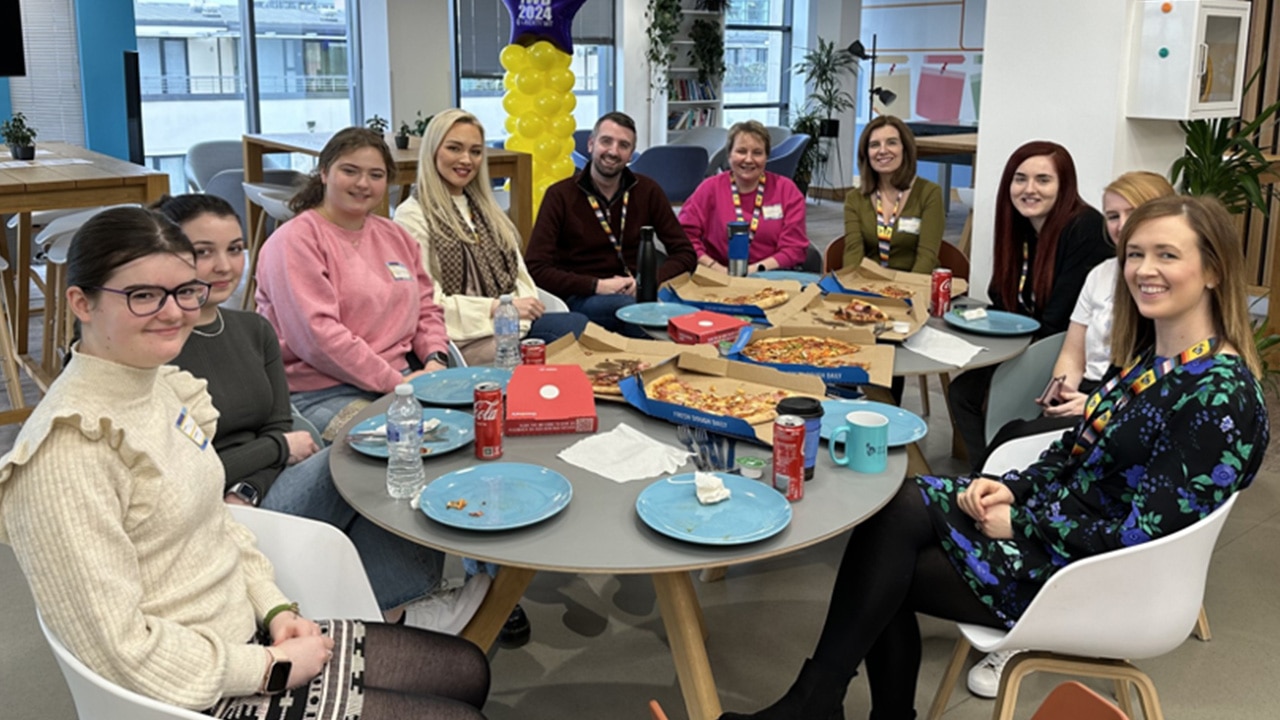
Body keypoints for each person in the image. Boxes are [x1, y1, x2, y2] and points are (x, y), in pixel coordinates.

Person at [718, 194, 1269, 720]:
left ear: (1214, 270)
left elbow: (1143, 532)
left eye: (1167, 255)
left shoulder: (1219, 397)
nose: (1144, 269)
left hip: (1090, 573)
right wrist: (1014, 486)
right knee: (893, 504)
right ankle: (823, 701)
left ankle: (822, 703)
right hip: (1060, 526)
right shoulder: (1158, 358)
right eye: (1135, 254)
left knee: (887, 571)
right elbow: (1076, 449)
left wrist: (1022, 522)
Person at [0, 207, 491, 719]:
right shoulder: (69, 449)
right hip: (195, 686)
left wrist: (275, 607)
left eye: (184, 291)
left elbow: (217, 525)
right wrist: (270, 667)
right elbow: (121, 652)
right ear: (82, 302)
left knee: (467, 670)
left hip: (248, 632)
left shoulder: (157, 388)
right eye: (143, 295)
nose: (173, 313)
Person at [159, 193, 489, 633]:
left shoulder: (253, 330)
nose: (224, 266)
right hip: (209, 511)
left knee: (392, 448)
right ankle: (390, 615)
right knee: (366, 451)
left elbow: (280, 425)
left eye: (235, 249)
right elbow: (182, 470)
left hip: (258, 488)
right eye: (204, 252)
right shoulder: (159, 345)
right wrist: (273, 451)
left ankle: (388, 608)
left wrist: (251, 479)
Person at [255, 127, 452, 441]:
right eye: (350, 171)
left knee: (468, 430)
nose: (363, 184)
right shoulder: (294, 242)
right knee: (406, 442)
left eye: (375, 175)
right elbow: (318, 338)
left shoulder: (396, 236)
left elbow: (426, 308)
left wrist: (435, 359)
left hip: (401, 379)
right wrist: (396, 384)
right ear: (323, 173)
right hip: (321, 391)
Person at [948, 141, 1111, 466]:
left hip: (1061, 350)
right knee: (963, 391)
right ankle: (988, 470)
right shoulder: (1020, 227)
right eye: (1020, 179)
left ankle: (995, 475)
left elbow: (1060, 318)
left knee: (975, 394)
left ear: (1064, 185)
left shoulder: (1085, 228)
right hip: (1025, 342)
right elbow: (1003, 299)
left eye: (1043, 180)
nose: (1029, 189)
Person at [394, 109, 588, 366]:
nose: (466, 160)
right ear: (432, 150)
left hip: (513, 326)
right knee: (573, 330)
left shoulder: (486, 208)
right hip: (462, 338)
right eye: (454, 148)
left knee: (580, 325)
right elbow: (425, 303)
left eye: (475, 151)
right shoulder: (413, 215)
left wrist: (516, 313)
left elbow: (521, 277)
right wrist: (498, 309)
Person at [524, 111, 698, 336]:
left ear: (631, 155)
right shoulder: (560, 195)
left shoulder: (647, 191)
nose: (613, 151)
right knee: (635, 313)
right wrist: (597, 285)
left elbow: (685, 254)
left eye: (623, 145)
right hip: (583, 296)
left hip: (639, 293)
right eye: (606, 141)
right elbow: (536, 268)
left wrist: (648, 281)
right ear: (591, 144)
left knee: (687, 312)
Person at [678, 120, 809, 274]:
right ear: (729, 155)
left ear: (767, 156)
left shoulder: (787, 190)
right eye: (741, 151)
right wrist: (715, 267)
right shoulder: (709, 188)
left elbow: (795, 248)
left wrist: (753, 270)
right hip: (716, 275)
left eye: (757, 153)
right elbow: (684, 236)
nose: (748, 159)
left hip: (771, 276)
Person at [843, 116, 944, 272]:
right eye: (875, 145)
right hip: (870, 286)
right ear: (866, 153)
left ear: (905, 148)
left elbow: (927, 258)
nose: (883, 150)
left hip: (915, 285)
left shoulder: (929, 193)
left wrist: (903, 292)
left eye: (892, 142)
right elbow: (853, 255)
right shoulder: (854, 199)